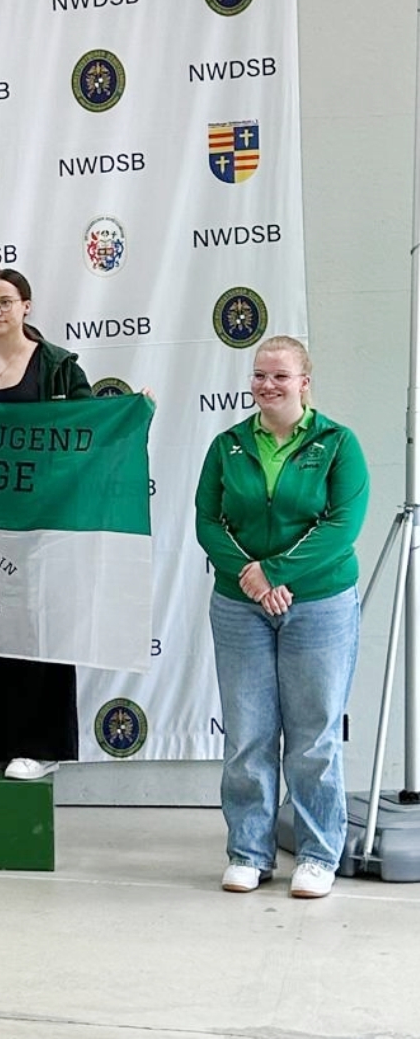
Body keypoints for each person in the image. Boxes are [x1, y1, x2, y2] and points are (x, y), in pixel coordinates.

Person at [195, 336, 368, 899]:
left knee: (314, 735)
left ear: (304, 383)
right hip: (239, 605)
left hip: (319, 603)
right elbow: (207, 521)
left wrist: (274, 573)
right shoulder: (228, 445)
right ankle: (248, 853)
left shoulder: (338, 444)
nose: (267, 385)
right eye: (260, 375)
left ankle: (318, 855)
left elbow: (342, 526)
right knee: (248, 735)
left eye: (280, 376)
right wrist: (251, 577)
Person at [0, 268, 91, 780]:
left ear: (26, 306)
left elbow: (88, 428)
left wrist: (134, 410)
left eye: (5, 302)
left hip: (44, 517)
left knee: (41, 625)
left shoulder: (57, 365)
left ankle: (43, 745)